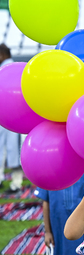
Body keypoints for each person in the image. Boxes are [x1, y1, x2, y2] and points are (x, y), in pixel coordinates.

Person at [34, 167, 84, 255]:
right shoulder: (49, 169)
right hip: (57, 228)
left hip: (82, 228)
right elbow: (46, 202)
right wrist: (48, 232)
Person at [0, 43, 22, 193]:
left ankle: (4, 179)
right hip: (17, 116)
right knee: (15, 150)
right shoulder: (17, 69)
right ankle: (16, 182)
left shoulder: (3, 70)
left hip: (5, 115)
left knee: (5, 149)